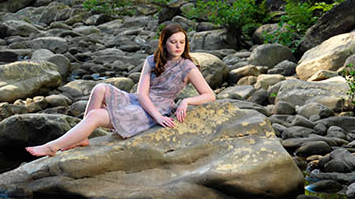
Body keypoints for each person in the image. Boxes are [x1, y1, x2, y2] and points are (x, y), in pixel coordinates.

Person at [25, 22, 215, 157]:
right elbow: (141, 93)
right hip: (140, 102)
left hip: (158, 109)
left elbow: (209, 95)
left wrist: (185, 101)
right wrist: (155, 115)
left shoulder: (188, 67)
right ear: (164, 42)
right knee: (100, 87)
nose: (178, 46)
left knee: (95, 116)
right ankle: (81, 137)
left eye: (182, 42)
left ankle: (52, 147)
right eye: (173, 42)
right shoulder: (151, 61)